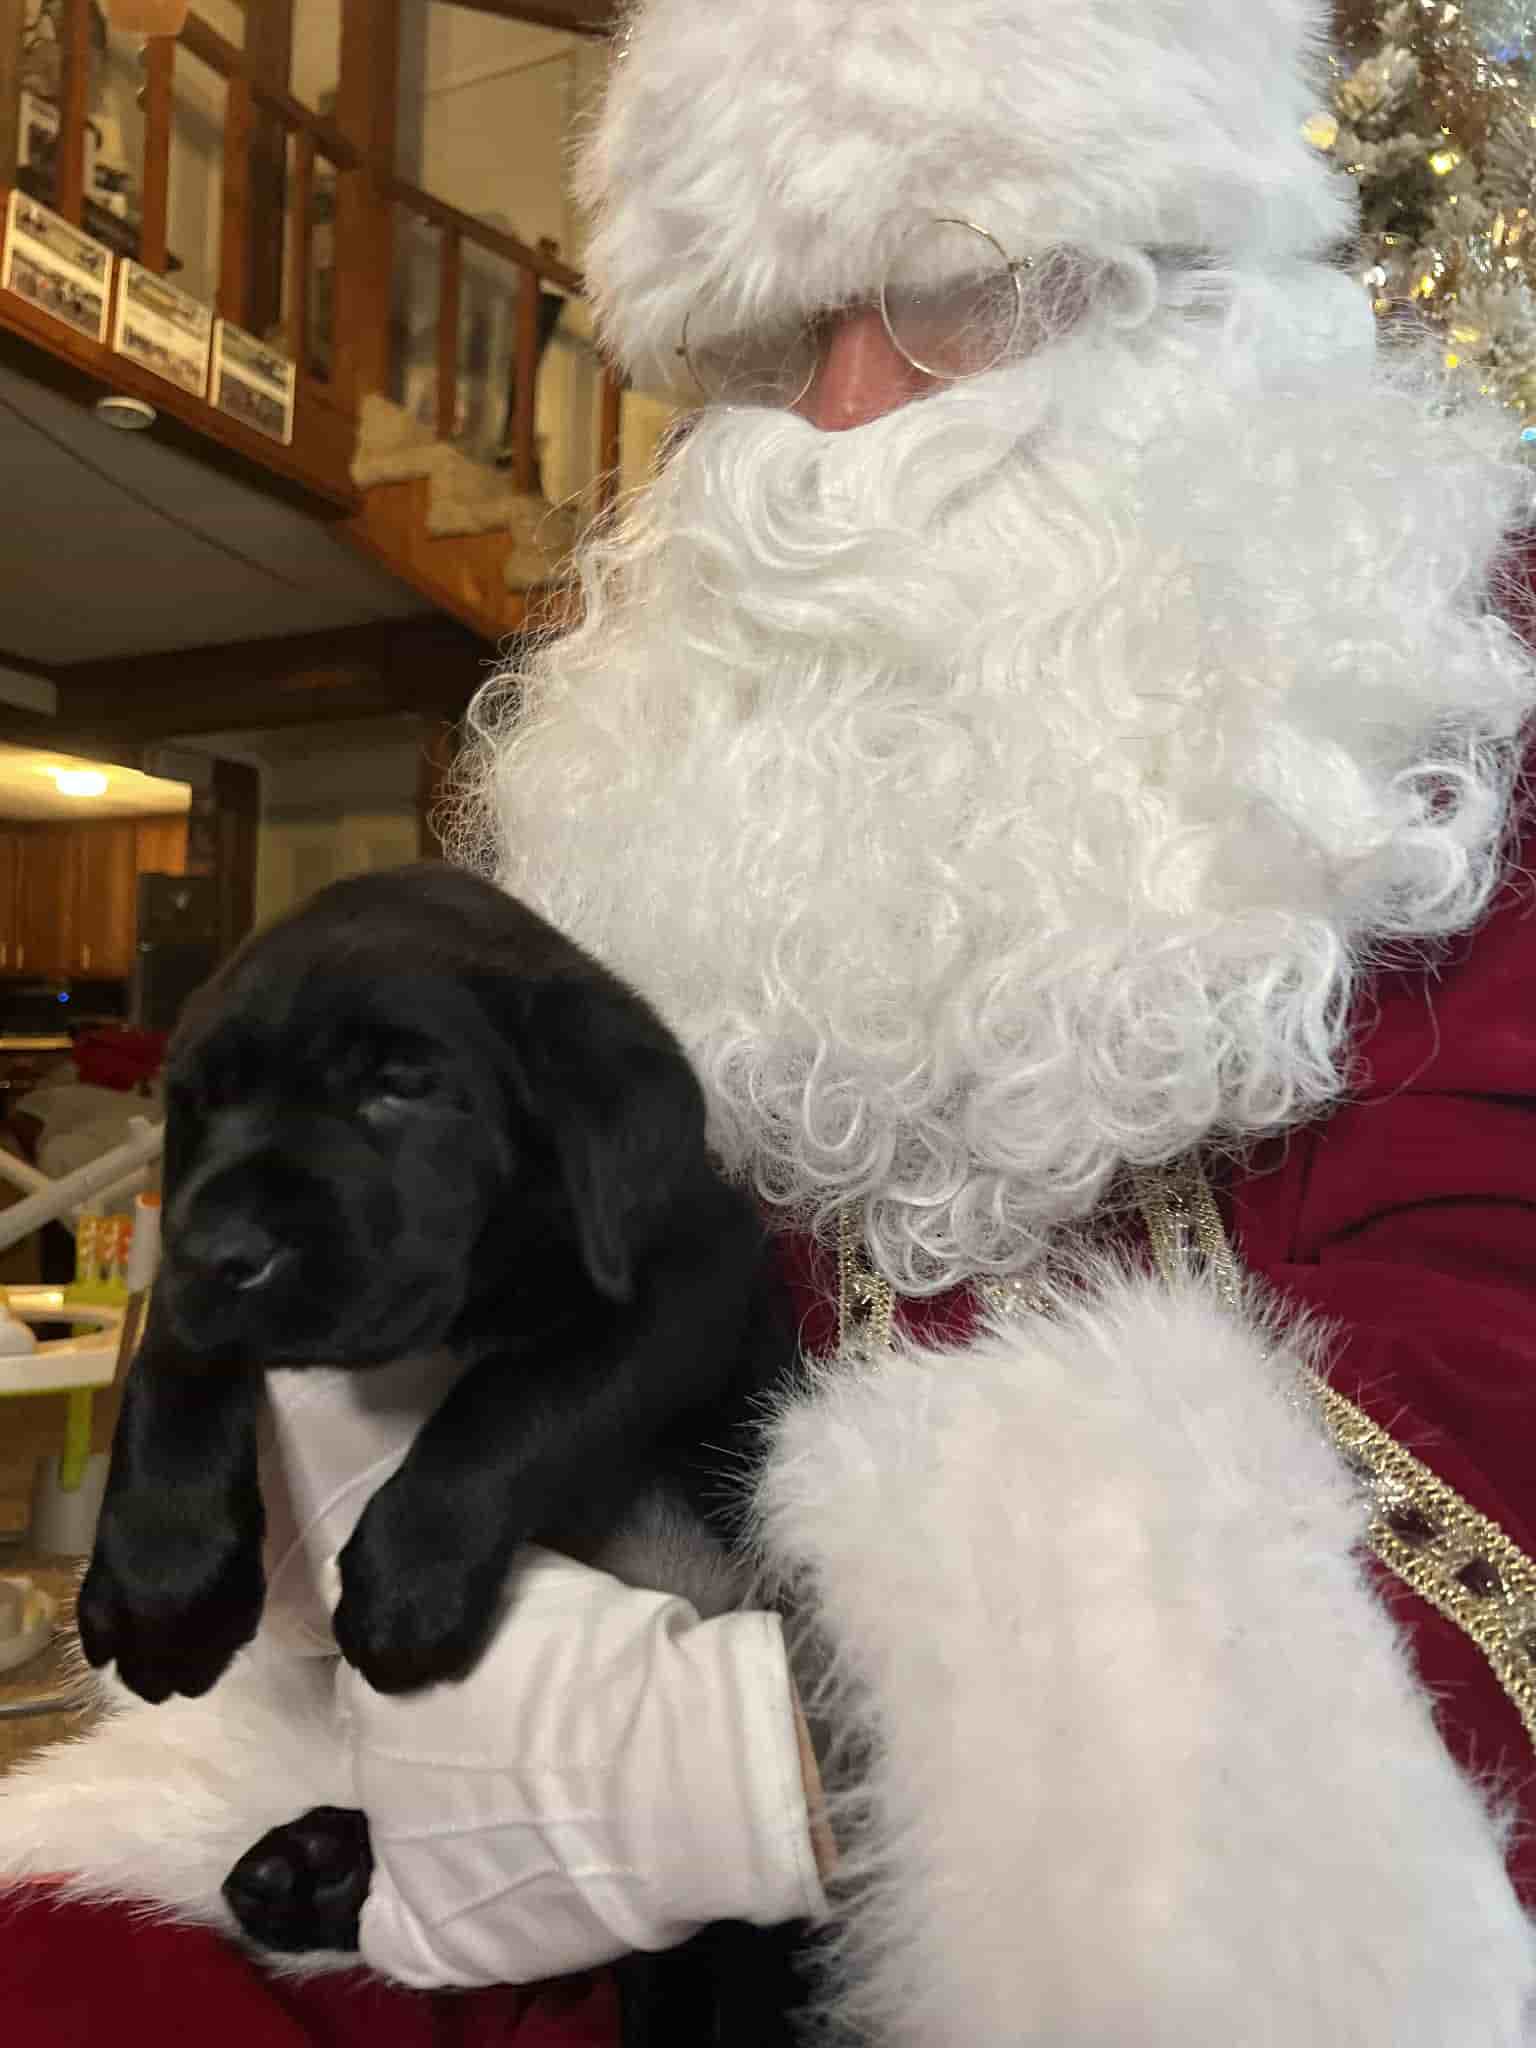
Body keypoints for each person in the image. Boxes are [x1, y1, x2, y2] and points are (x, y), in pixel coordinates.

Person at [4, 0, 1536, 2040]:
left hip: (1166, 1816)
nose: (840, 426)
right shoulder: (686, 766)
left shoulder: (1434, 678)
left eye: (955, 296)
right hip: (561, 1725)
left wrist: (764, 1754)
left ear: (1196, 294)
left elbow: (1490, 1356)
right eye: (762, 343)